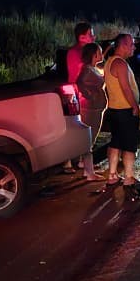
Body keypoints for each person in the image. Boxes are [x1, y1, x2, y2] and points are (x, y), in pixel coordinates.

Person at [103, 34, 140, 196]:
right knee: (129, 145)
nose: (134, 47)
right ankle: (129, 178)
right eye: (131, 44)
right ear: (123, 45)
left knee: (116, 142)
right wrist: (134, 106)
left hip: (114, 109)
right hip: (125, 110)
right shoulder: (120, 63)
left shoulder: (110, 62)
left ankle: (112, 175)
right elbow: (126, 88)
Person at [62, 21, 95, 174]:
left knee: (83, 127)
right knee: (74, 127)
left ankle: (82, 161)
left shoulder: (82, 52)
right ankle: (67, 162)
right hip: (74, 94)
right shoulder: (75, 53)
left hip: (80, 93)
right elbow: (76, 75)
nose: (93, 37)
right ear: (82, 37)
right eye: (90, 34)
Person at [75, 42, 107, 182]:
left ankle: (85, 164)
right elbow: (79, 82)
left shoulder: (92, 69)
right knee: (89, 138)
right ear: (94, 55)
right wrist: (89, 95)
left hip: (95, 107)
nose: (101, 54)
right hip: (90, 109)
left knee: (90, 138)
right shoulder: (88, 70)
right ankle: (89, 172)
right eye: (99, 52)